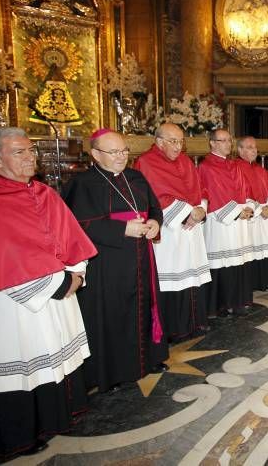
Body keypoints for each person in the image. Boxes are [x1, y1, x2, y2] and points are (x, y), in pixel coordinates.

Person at [0, 128, 96, 460]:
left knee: (56, 353)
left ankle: (57, 418)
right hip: (18, 304)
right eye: (18, 153)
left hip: (61, 289)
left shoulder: (45, 193)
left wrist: (77, 273)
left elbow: (72, 236)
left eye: (31, 151)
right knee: (26, 360)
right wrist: (57, 285)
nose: (29, 158)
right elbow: (5, 257)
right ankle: (23, 434)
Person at [63, 129, 169, 392]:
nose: (122, 157)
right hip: (107, 263)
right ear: (96, 154)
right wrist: (121, 229)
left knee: (144, 306)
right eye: (114, 152)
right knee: (113, 313)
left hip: (142, 256)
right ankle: (114, 371)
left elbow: (154, 207)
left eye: (124, 151)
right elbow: (76, 225)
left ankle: (147, 359)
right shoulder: (82, 184)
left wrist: (155, 222)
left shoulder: (136, 176)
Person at [134, 123, 211, 340]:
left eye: (181, 141)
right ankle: (175, 328)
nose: (179, 146)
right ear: (159, 141)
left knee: (192, 276)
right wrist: (188, 213)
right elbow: (154, 197)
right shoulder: (146, 162)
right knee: (174, 276)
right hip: (170, 231)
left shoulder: (186, 161)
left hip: (191, 228)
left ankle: (195, 322)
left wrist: (201, 211)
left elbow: (201, 189)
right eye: (173, 141)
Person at [198, 129, 254, 317]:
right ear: (212, 143)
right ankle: (220, 304)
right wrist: (238, 211)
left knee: (238, 261)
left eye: (229, 141)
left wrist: (248, 207)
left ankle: (238, 300)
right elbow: (212, 194)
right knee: (223, 263)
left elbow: (245, 188)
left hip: (239, 221)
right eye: (223, 141)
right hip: (220, 222)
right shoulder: (206, 167)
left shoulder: (234, 165)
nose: (228, 144)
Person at [234, 136, 268, 292]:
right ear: (240, 150)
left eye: (255, 147)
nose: (254, 150)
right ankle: (250, 283)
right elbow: (239, 195)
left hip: (263, 218)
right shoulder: (235, 168)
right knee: (250, 249)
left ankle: (262, 281)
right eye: (249, 147)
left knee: (262, 248)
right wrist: (260, 210)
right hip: (248, 217)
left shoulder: (262, 170)